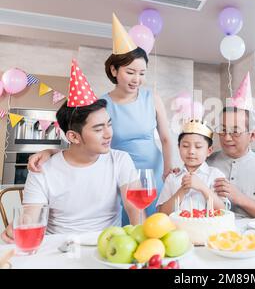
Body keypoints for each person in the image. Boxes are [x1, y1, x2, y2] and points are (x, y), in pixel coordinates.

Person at [27, 14, 173, 223]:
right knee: (124, 222)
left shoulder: (152, 98)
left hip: (154, 173)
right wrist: (51, 152)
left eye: (142, 73)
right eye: (131, 72)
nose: (137, 79)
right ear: (114, 70)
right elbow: (86, 142)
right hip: (117, 172)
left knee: (155, 224)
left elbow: (166, 139)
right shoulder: (101, 106)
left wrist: (167, 171)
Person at [1, 61, 139, 243]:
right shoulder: (42, 168)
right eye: (98, 129)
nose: (108, 134)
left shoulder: (120, 160)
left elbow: (135, 208)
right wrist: (18, 227)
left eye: (109, 124)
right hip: (59, 248)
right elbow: (31, 216)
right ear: (73, 137)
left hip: (108, 247)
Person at [208, 73, 255, 219]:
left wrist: (239, 198)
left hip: (253, 237)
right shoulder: (207, 162)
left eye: (235, 131)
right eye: (223, 130)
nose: (227, 138)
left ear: (252, 135)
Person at [157, 119, 226, 215]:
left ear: (209, 151)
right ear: (179, 147)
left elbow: (223, 211)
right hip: (177, 228)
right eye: (185, 146)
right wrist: (182, 190)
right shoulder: (172, 177)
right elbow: (161, 213)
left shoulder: (215, 175)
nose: (191, 151)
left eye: (198, 147)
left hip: (208, 228)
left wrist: (202, 187)